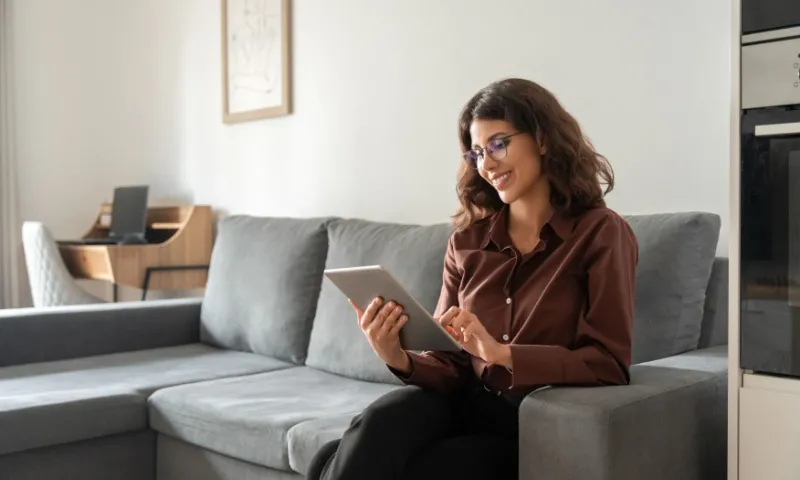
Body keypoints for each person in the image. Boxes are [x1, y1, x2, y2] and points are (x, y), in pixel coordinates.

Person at [306, 78, 638, 480]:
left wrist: (503, 353)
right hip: (459, 399)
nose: (487, 163)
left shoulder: (601, 232)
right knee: (378, 422)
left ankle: (331, 463)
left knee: (421, 470)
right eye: (477, 152)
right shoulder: (467, 242)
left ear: (543, 139)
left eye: (499, 143)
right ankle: (336, 461)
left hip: (525, 419)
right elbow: (449, 361)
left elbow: (607, 363)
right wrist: (396, 355)